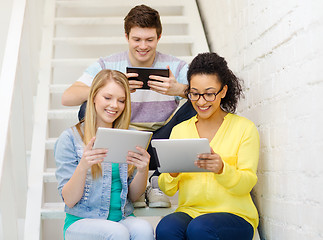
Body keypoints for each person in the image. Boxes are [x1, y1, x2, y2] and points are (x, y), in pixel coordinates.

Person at [61, 4, 196, 208]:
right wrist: (115, 87)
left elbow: (209, 95)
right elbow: (67, 97)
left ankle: (156, 181)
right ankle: (120, 180)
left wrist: (179, 90)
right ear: (127, 37)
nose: (143, 46)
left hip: (160, 140)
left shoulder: (175, 66)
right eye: (137, 39)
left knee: (196, 104)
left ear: (159, 37)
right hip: (121, 140)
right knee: (88, 104)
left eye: (149, 40)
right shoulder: (108, 65)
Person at [156, 52, 259, 240]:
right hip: (191, 212)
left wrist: (222, 169)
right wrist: (172, 173)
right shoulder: (179, 131)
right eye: (194, 94)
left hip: (236, 216)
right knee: (166, 227)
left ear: (224, 91)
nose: (201, 102)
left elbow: (247, 183)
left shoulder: (244, 128)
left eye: (209, 94)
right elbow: (167, 189)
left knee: (200, 228)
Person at [55, 70, 154, 240]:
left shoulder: (129, 135)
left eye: (121, 100)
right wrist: (83, 167)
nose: (115, 105)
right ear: (93, 97)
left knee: (144, 229)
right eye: (107, 98)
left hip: (121, 218)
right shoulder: (70, 138)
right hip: (81, 221)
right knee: (117, 233)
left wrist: (143, 170)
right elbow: (69, 200)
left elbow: (133, 196)